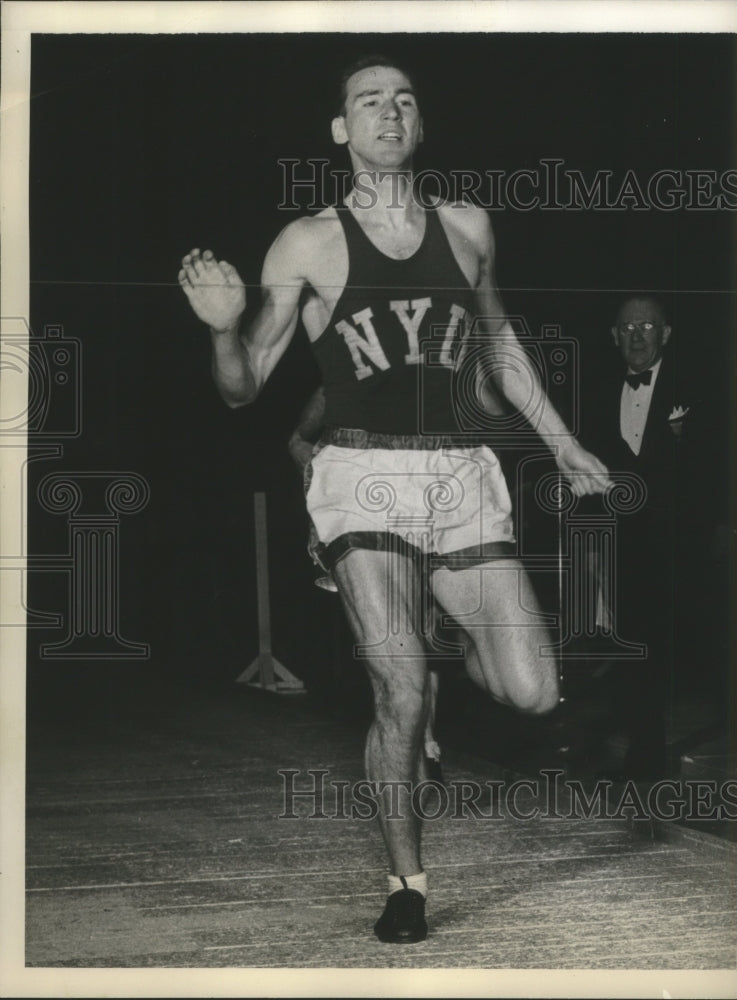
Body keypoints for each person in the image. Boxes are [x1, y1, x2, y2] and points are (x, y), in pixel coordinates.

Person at [179, 54, 610, 943]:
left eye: (404, 100)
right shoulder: (308, 242)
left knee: (533, 691)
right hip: (362, 474)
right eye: (369, 101)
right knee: (402, 690)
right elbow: (243, 385)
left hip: (460, 474)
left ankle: (440, 639)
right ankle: (406, 883)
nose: (390, 111)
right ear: (341, 130)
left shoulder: (468, 225)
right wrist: (224, 334)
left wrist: (566, 447)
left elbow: (501, 348)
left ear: (420, 126)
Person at [288, 384, 444, 780]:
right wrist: (330, 489)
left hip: (421, 515)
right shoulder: (339, 380)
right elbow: (297, 442)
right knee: (389, 653)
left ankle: (427, 745)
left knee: (424, 634)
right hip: (363, 529)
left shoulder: (423, 375)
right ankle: (414, 757)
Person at [578, 295, 697, 782]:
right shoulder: (598, 392)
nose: (638, 335)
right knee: (633, 649)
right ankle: (644, 755)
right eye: (627, 327)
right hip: (621, 547)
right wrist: (588, 544)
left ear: (666, 334)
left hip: (681, 547)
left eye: (648, 325)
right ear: (614, 337)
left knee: (686, 652)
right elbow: (585, 470)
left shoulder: (695, 387)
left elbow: (714, 467)